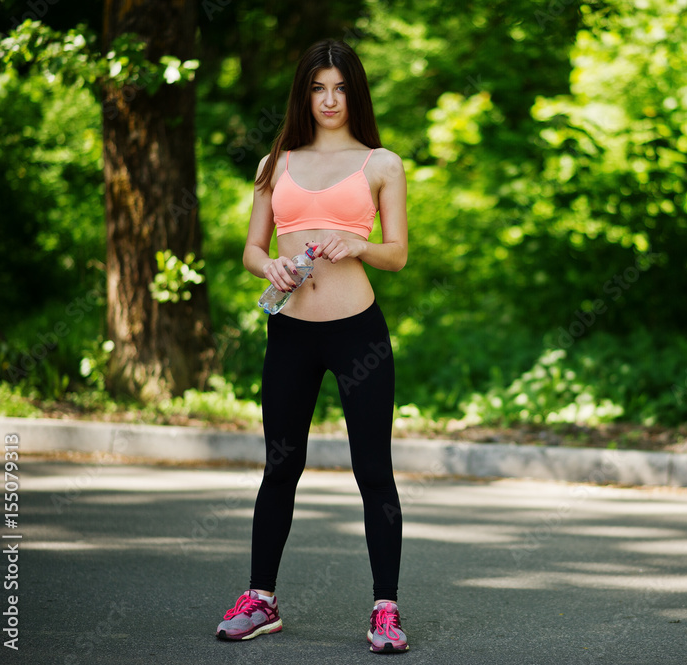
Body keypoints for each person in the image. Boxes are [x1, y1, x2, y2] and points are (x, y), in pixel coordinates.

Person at [215, 40, 409, 654]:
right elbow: (251, 248)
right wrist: (266, 266)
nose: (329, 99)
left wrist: (360, 246)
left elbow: (398, 254)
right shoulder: (277, 163)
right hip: (291, 331)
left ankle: (385, 610)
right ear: (304, 93)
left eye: (341, 88)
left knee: (373, 470)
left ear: (356, 93)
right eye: (318, 87)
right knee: (280, 467)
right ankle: (261, 600)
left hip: (358, 332)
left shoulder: (381, 164)